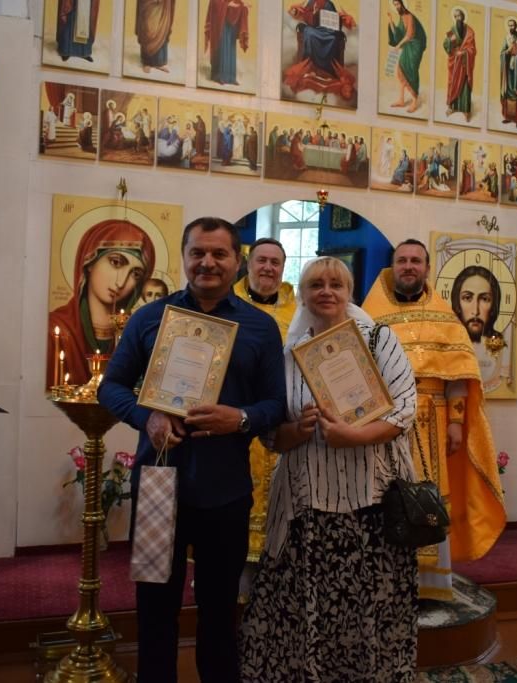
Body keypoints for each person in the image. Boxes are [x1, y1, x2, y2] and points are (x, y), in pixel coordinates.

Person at [99, 217, 286, 682]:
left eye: (219, 253)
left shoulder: (260, 327)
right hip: (159, 484)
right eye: (197, 252)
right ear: (184, 257)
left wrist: (239, 418)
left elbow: (275, 404)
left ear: (237, 261)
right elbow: (111, 387)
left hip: (226, 489)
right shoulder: (149, 318)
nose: (208, 262)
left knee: (220, 609)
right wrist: (147, 416)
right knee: (155, 608)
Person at [240, 256, 418, 681]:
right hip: (306, 504)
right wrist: (296, 430)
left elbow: (405, 410)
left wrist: (353, 436)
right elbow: (271, 435)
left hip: (371, 502)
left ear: (349, 293)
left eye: (336, 284)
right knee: (304, 605)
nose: (326, 291)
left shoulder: (379, 340)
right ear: (301, 294)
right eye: (316, 284)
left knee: (369, 603)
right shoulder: (288, 355)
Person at [363, 240, 504, 601]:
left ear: (427, 268)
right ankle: (385, 580)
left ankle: (430, 583)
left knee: (429, 496)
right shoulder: (371, 314)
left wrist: (456, 421)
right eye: (402, 260)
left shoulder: (445, 316)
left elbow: (457, 375)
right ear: (392, 266)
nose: (409, 266)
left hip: (432, 420)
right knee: (386, 495)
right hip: (385, 421)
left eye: (416, 261)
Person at [232, 238, 297, 582]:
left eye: (275, 262)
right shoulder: (228, 305)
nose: (268, 268)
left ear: (283, 268)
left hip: (284, 422)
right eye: (262, 261)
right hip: (238, 418)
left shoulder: (298, 312)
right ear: (248, 264)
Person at [46, 219, 155, 386]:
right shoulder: (54, 328)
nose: (121, 282)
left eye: (136, 274)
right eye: (116, 262)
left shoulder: (137, 333)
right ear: (89, 261)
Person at [283, 0, 357, 100]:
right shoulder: (311, 2)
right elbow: (303, 13)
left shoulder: (329, 4)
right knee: (309, 33)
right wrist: (299, 12)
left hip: (328, 31)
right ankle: (310, 67)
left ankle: (329, 71)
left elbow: (335, 20)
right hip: (314, 29)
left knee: (334, 38)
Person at [451, 265, 504, 389]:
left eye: (485, 299)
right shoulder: (447, 345)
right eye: (467, 298)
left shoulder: (502, 350)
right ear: (457, 303)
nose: (475, 311)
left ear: (494, 305)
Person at [387, 0, 426, 113]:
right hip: (408, 46)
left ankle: (414, 101)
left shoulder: (409, 16)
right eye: (395, 5)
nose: (396, 6)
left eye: (398, 4)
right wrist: (390, 21)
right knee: (401, 71)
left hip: (416, 46)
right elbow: (398, 34)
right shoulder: (402, 17)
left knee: (412, 72)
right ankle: (401, 100)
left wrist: (398, 46)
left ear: (402, 4)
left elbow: (409, 35)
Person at [204, 0, 250, 85]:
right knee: (223, 47)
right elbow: (214, 2)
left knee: (231, 47)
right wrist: (227, 4)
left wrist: (243, 5)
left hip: (231, 20)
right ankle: (219, 76)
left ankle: (231, 78)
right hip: (221, 21)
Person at [443, 7, 476, 120]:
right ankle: (452, 107)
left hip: (465, 63)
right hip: (455, 62)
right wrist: (450, 42)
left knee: (465, 86)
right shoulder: (452, 30)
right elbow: (445, 45)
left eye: (459, 16)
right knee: (453, 83)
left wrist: (464, 52)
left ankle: (466, 110)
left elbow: (472, 49)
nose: (458, 18)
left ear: (463, 17)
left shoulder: (470, 31)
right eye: (456, 16)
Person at [136, 0, 175, 73]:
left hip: (164, 4)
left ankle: (159, 63)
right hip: (149, 3)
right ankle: (147, 62)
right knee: (148, 27)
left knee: (162, 28)